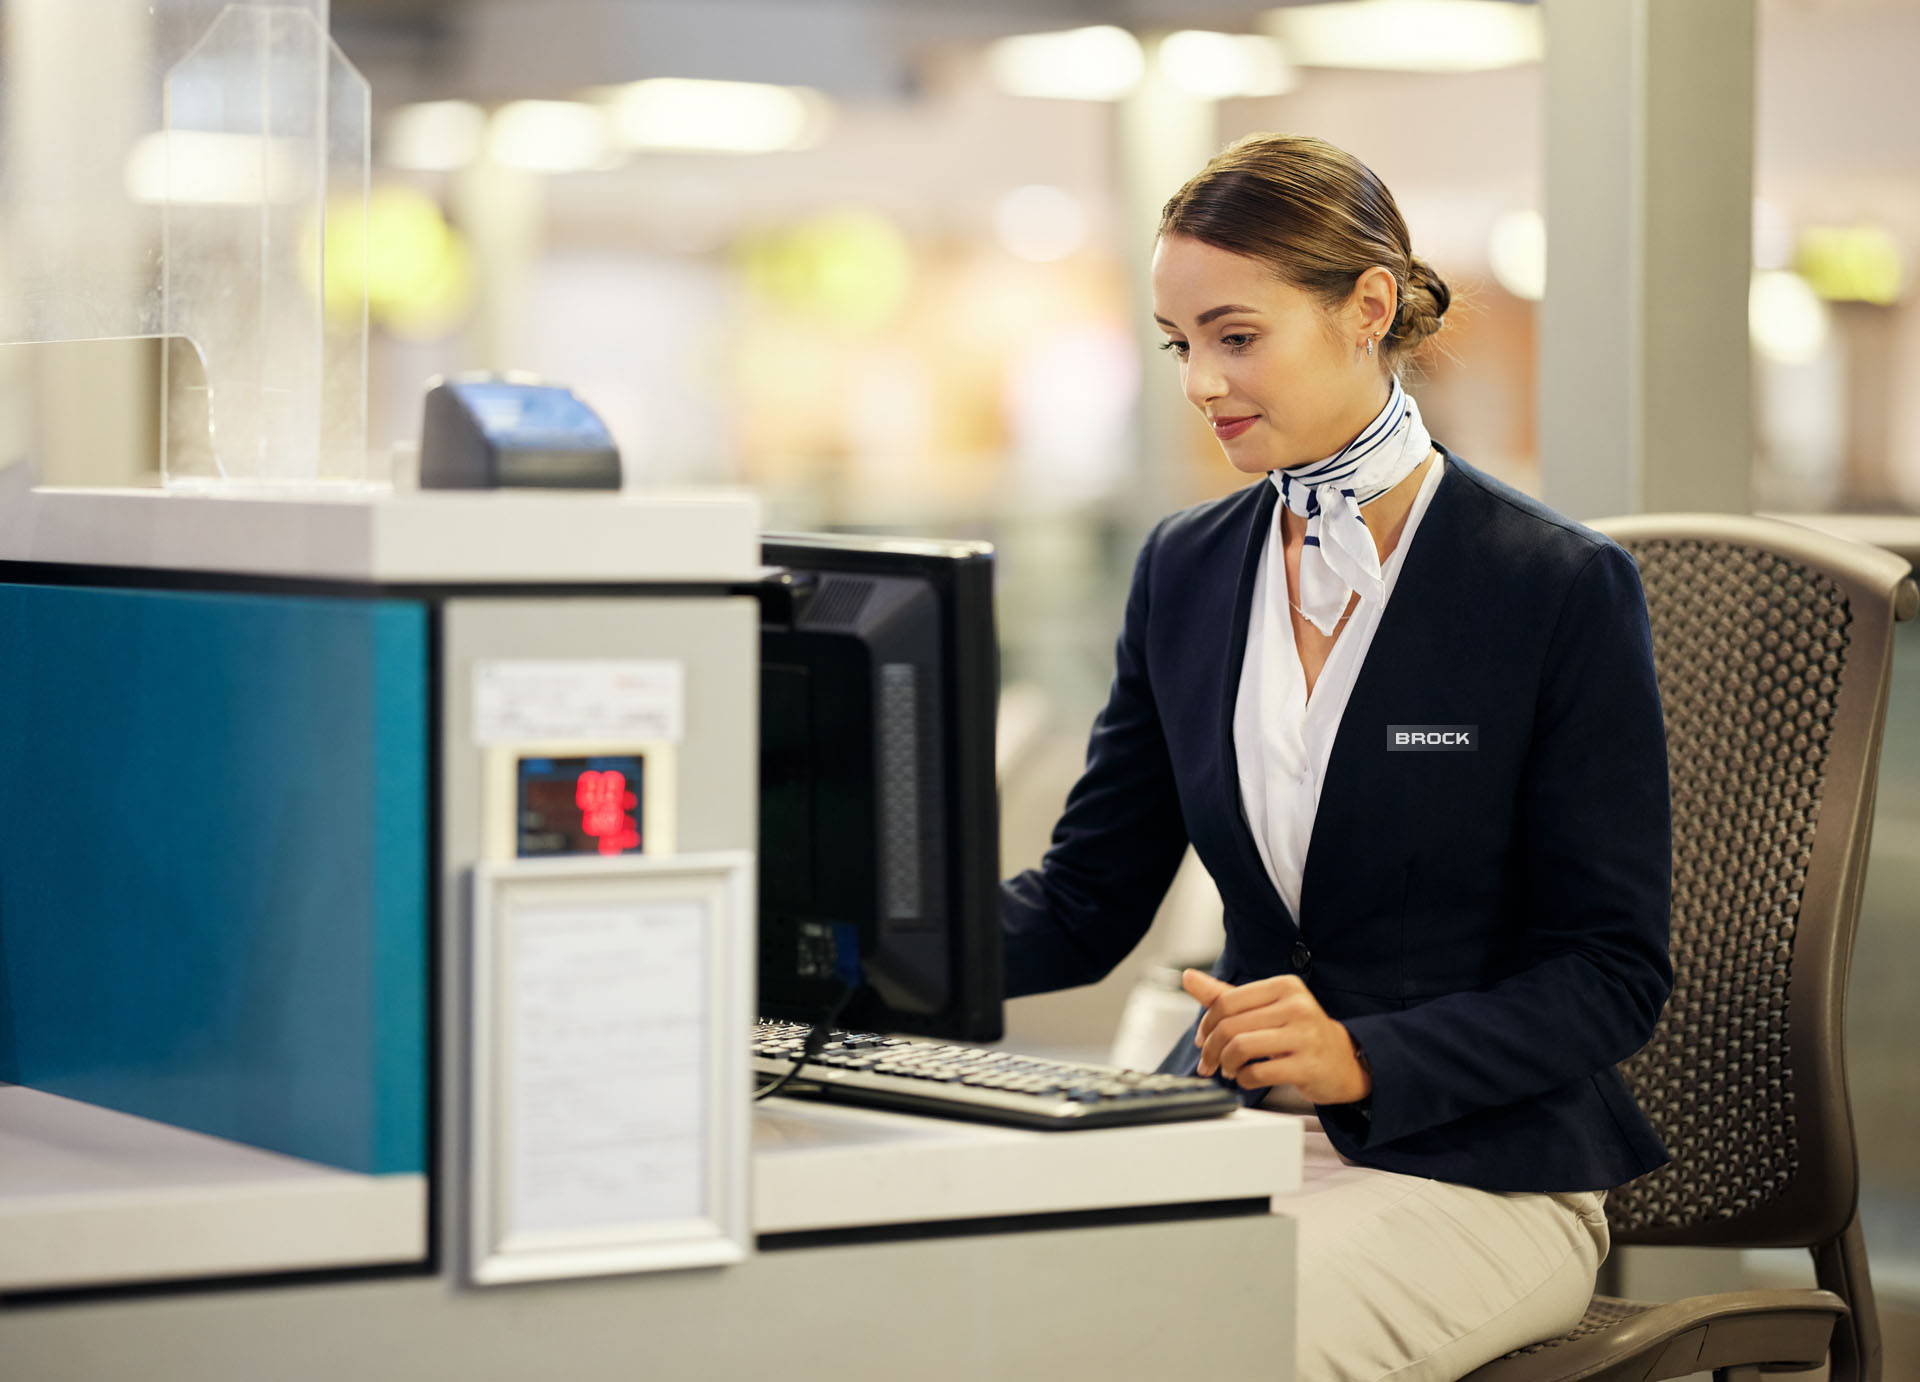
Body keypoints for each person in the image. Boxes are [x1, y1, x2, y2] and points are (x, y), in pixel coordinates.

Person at [1000, 133, 1674, 1381]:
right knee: (966, 1299)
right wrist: (835, 951)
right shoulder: (1188, 570)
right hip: (1228, 1134)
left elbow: (1610, 971)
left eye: (1235, 335)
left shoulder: (1554, 586)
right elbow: (1086, 900)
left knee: (1200, 1341)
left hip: (1478, 1170)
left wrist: (1368, 1055)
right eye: (1178, 342)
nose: (1200, 382)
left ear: (1367, 308)